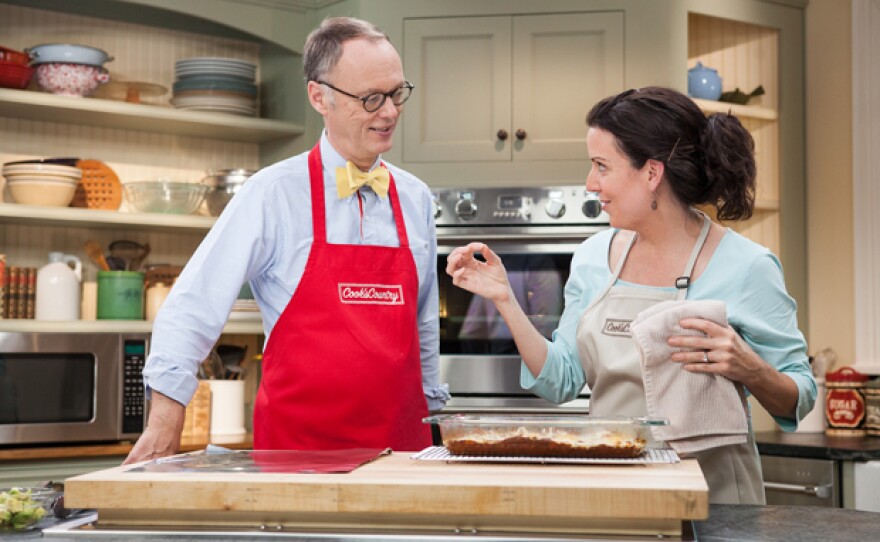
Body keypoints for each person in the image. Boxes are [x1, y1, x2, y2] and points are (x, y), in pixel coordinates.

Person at [445, 86, 816, 504]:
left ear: (652, 173)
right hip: (614, 493)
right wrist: (505, 301)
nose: (590, 183)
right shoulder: (591, 258)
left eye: (602, 166)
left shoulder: (748, 266)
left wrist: (751, 369)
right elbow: (561, 380)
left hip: (718, 501)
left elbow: (799, 397)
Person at [124, 17, 449, 463]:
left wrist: (433, 416)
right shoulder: (272, 193)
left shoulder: (415, 197)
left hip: (403, 453)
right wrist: (165, 419)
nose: (389, 112)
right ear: (320, 97)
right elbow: (192, 306)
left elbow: (423, 322)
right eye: (372, 98)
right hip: (297, 456)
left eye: (397, 94)